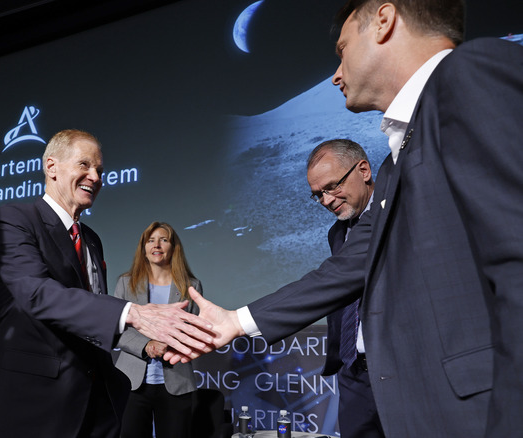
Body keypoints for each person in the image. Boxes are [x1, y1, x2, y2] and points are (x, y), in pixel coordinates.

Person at [167, 0, 523, 436]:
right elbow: (348, 267)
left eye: (341, 49)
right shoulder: (397, 164)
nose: (336, 72)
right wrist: (236, 321)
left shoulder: (470, 75)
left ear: (384, 21)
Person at [0, 129, 213, 438]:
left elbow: (92, 320)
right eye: (85, 165)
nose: (96, 176)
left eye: (100, 170)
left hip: (96, 406)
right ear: (51, 167)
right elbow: (36, 293)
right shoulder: (15, 218)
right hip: (36, 406)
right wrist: (134, 313)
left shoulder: (91, 239)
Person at [306, 139, 382, 438]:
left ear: (363, 170)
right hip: (353, 375)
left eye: (331, 187)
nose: (326, 200)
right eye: (318, 195)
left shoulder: (401, 214)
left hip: (403, 371)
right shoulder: (337, 234)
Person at [114, 222, 202, 438]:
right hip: (131, 384)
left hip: (176, 383)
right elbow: (114, 330)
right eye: (150, 240)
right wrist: (147, 345)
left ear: (173, 247)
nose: (157, 245)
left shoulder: (191, 286)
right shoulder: (126, 284)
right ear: (143, 248)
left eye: (164, 239)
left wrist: (172, 342)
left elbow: (195, 330)